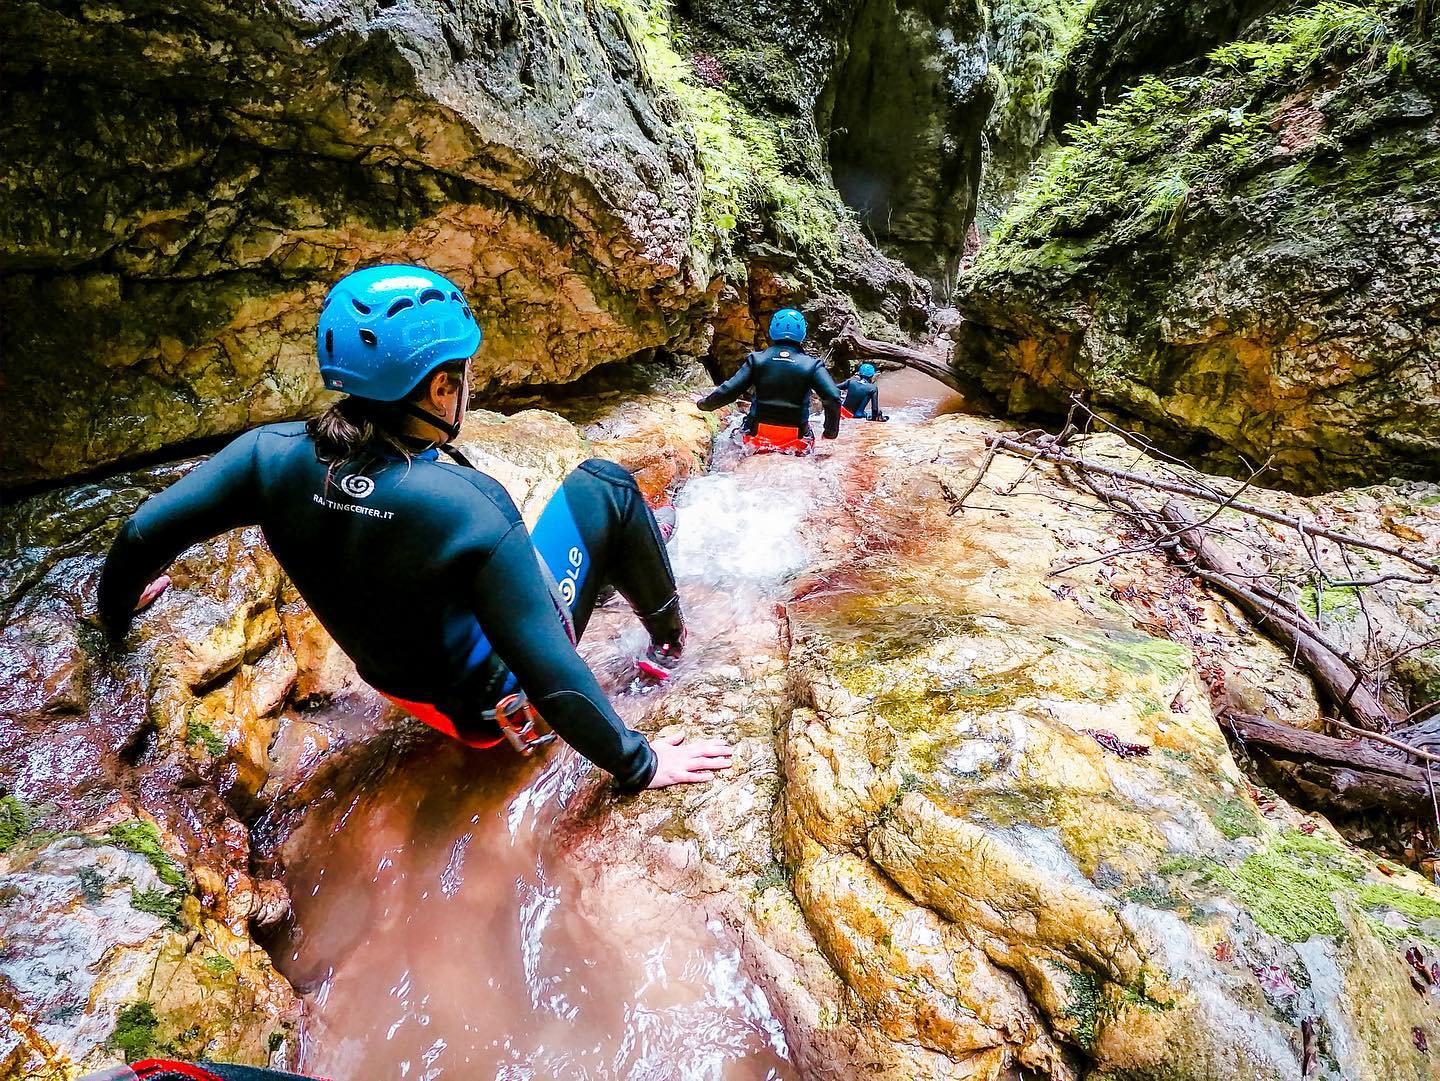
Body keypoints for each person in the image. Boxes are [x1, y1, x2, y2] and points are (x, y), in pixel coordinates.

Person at [98, 264, 731, 791]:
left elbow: (137, 539)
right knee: (607, 486)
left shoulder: (265, 458)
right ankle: (669, 642)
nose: (467, 387)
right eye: (461, 373)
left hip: (408, 694)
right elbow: (554, 674)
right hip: (494, 715)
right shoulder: (469, 506)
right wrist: (641, 762)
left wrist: (118, 612)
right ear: (436, 388)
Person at [696, 308, 840, 453]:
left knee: (735, 436)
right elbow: (833, 397)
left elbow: (730, 390)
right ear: (802, 334)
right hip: (796, 438)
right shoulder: (812, 365)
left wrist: (705, 405)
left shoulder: (757, 359)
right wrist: (830, 433)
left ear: (772, 331)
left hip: (756, 434)